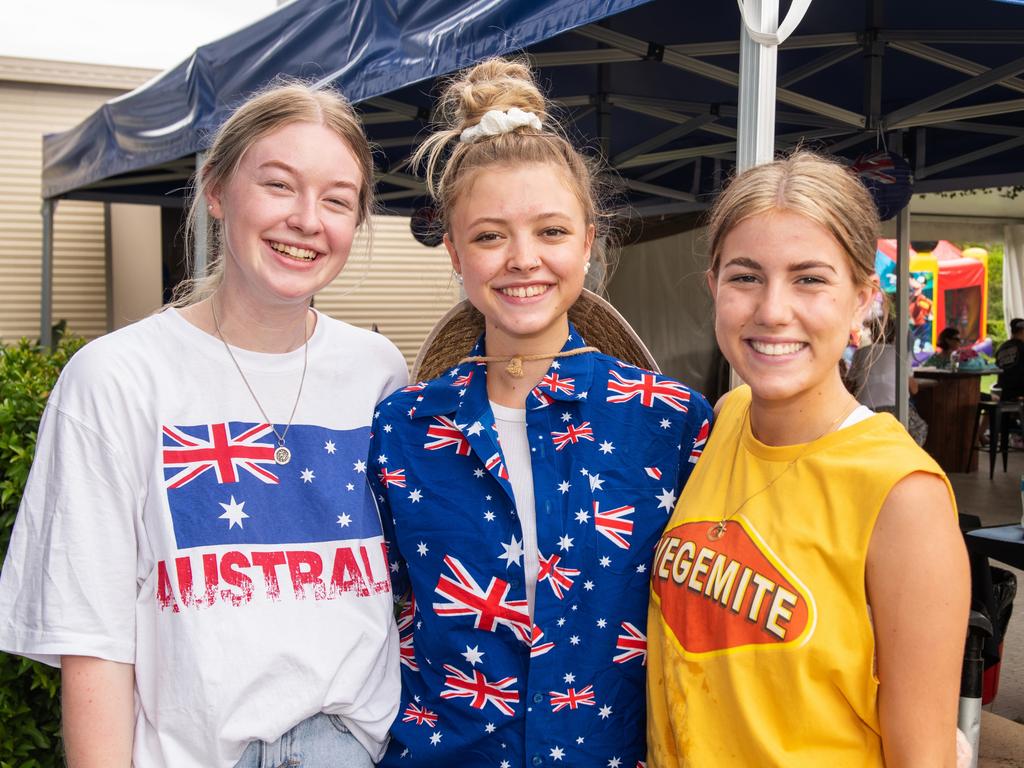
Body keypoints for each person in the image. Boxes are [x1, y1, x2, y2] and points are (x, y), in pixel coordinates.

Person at [0, 82, 407, 767]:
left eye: (338, 199)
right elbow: (93, 638)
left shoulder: (379, 372)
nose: (307, 220)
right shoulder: (117, 378)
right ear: (216, 191)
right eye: (279, 185)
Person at [368, 58, 712, 767]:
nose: (523, 259)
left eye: (551, 232)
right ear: (455, 253)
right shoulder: (400, 428)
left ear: (589, 242)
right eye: (491, 236)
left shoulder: (672, 423)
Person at [647, 151, 969, 767]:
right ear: (714, 288)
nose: (772, 310)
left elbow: (924, 755)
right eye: (745, 276)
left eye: (810, 279)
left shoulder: (902, 496)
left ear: (861, 302)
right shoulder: (725, 421)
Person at [846, 312, 928, 445]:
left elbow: (850, 385)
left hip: (865, 411)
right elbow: (914, 389)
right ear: (895, 334)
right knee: (920, 428)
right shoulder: (900, 353)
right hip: (895, 411)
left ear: (873, 334)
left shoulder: (860, 353)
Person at [995, 317, 1024, 402]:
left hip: (1004, 390)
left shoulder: (1002, 347)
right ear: (1022, 331)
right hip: (1019, 389)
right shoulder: (1022, 347)